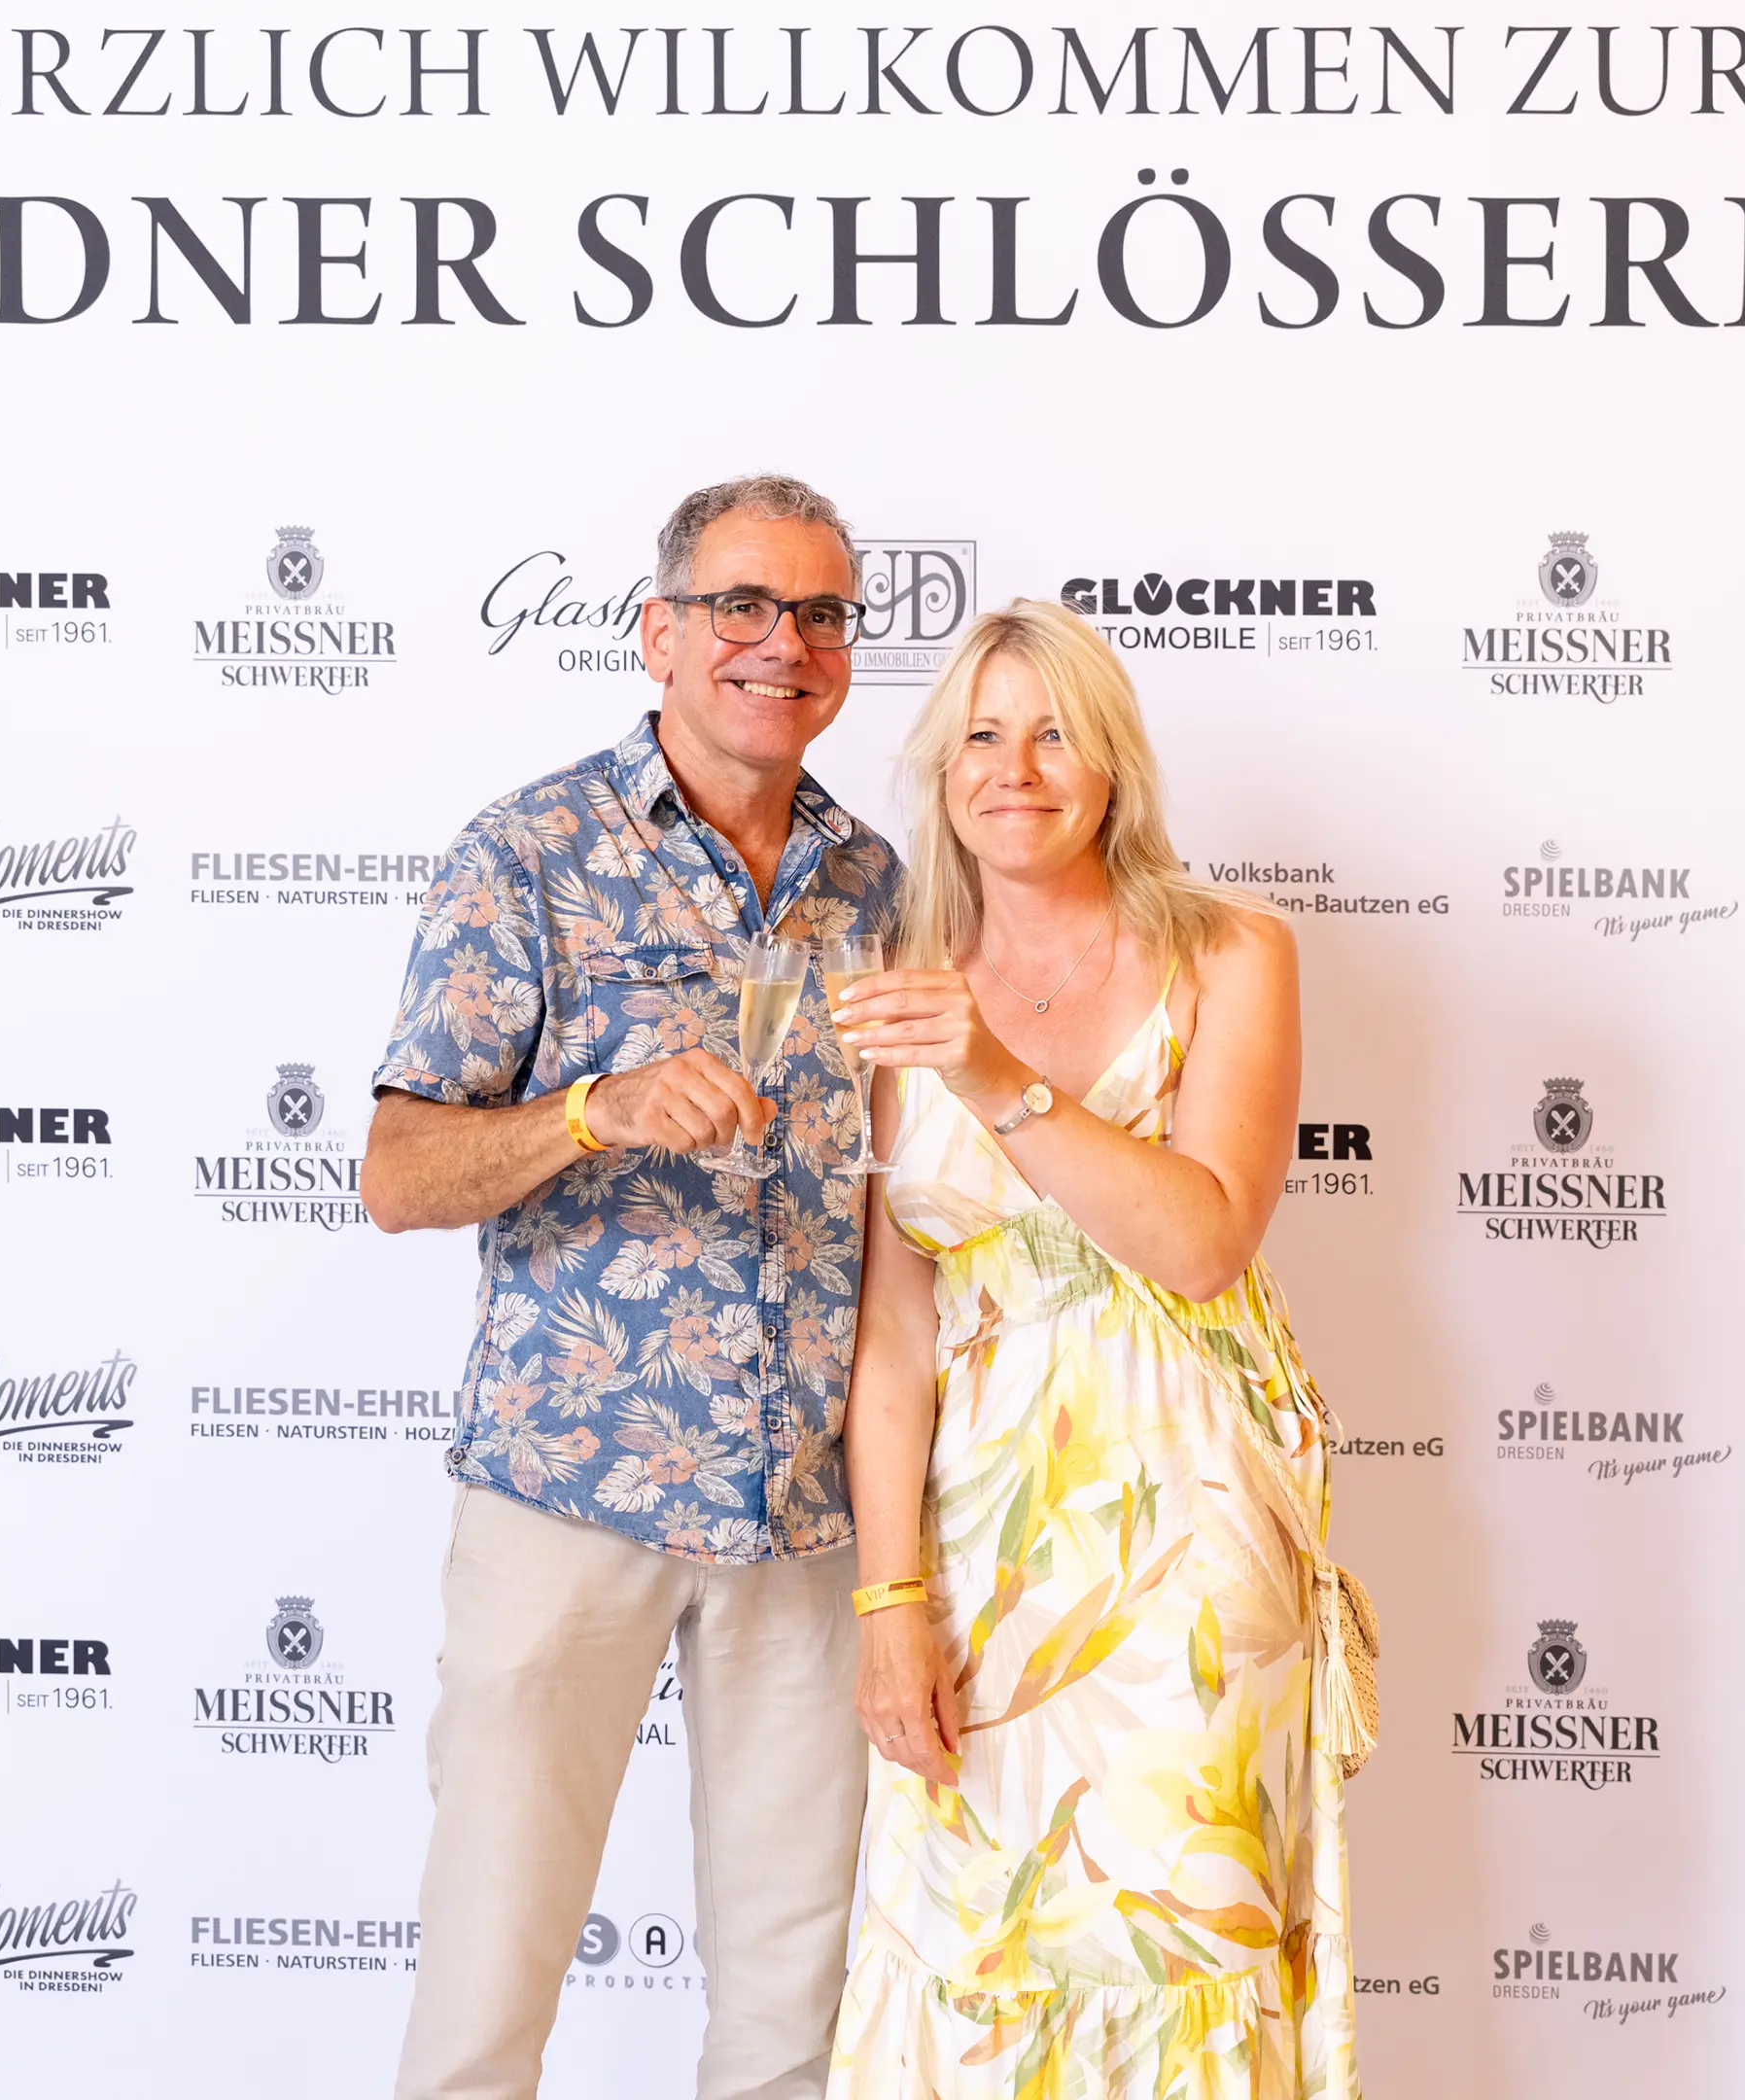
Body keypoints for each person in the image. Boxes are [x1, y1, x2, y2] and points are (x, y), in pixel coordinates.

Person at [365, 473, 901, 2100]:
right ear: (659, 633)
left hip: (805, 1520)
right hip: (568, 1492)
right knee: (485, 2003)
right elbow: (397, 1173)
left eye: (819, 613)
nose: (782, 642)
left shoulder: (878, 883)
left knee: (792, 2024)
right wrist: (593, 1110)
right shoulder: (527, 853)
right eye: (741, 605)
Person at [824, 601, 1362, 2096]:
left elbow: (1202, 1240)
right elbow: (892, 1329)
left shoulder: (1230, 951)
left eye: (1054, 734)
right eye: (982, 736)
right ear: (942, 775)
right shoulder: (895, 984)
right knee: (972, 1951)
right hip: (978, 1547)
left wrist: (993, 1072)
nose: (1015, 768)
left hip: (1189, 1525)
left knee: (1175, 1936)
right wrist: (888, 1598)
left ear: (1114, 764)